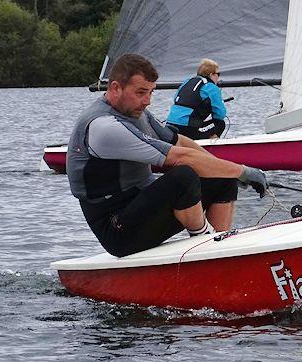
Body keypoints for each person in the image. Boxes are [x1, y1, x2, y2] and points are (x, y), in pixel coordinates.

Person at [66, 53, 268, 258]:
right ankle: (205, 244)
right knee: (184, 176)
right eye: (141, 92)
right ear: (116, 88)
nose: (148, 101)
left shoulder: (137, 112)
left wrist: (230, 171)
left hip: (140, 207)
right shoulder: (103, 127)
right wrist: (243, 171)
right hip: (117, 230)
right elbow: (178, 157)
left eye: (151, 93)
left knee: (221, 177)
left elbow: (178, 140)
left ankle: (218, 247)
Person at [166, 58, 227, 140]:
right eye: (218, 74)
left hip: (170, 124)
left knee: (199, 123)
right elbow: (220, 114)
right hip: (188, 128)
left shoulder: (187, 82)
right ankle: (208, 145)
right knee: (220, 124)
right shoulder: (211, 87)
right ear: (212, 74)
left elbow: (176, 99)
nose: (218, 77)